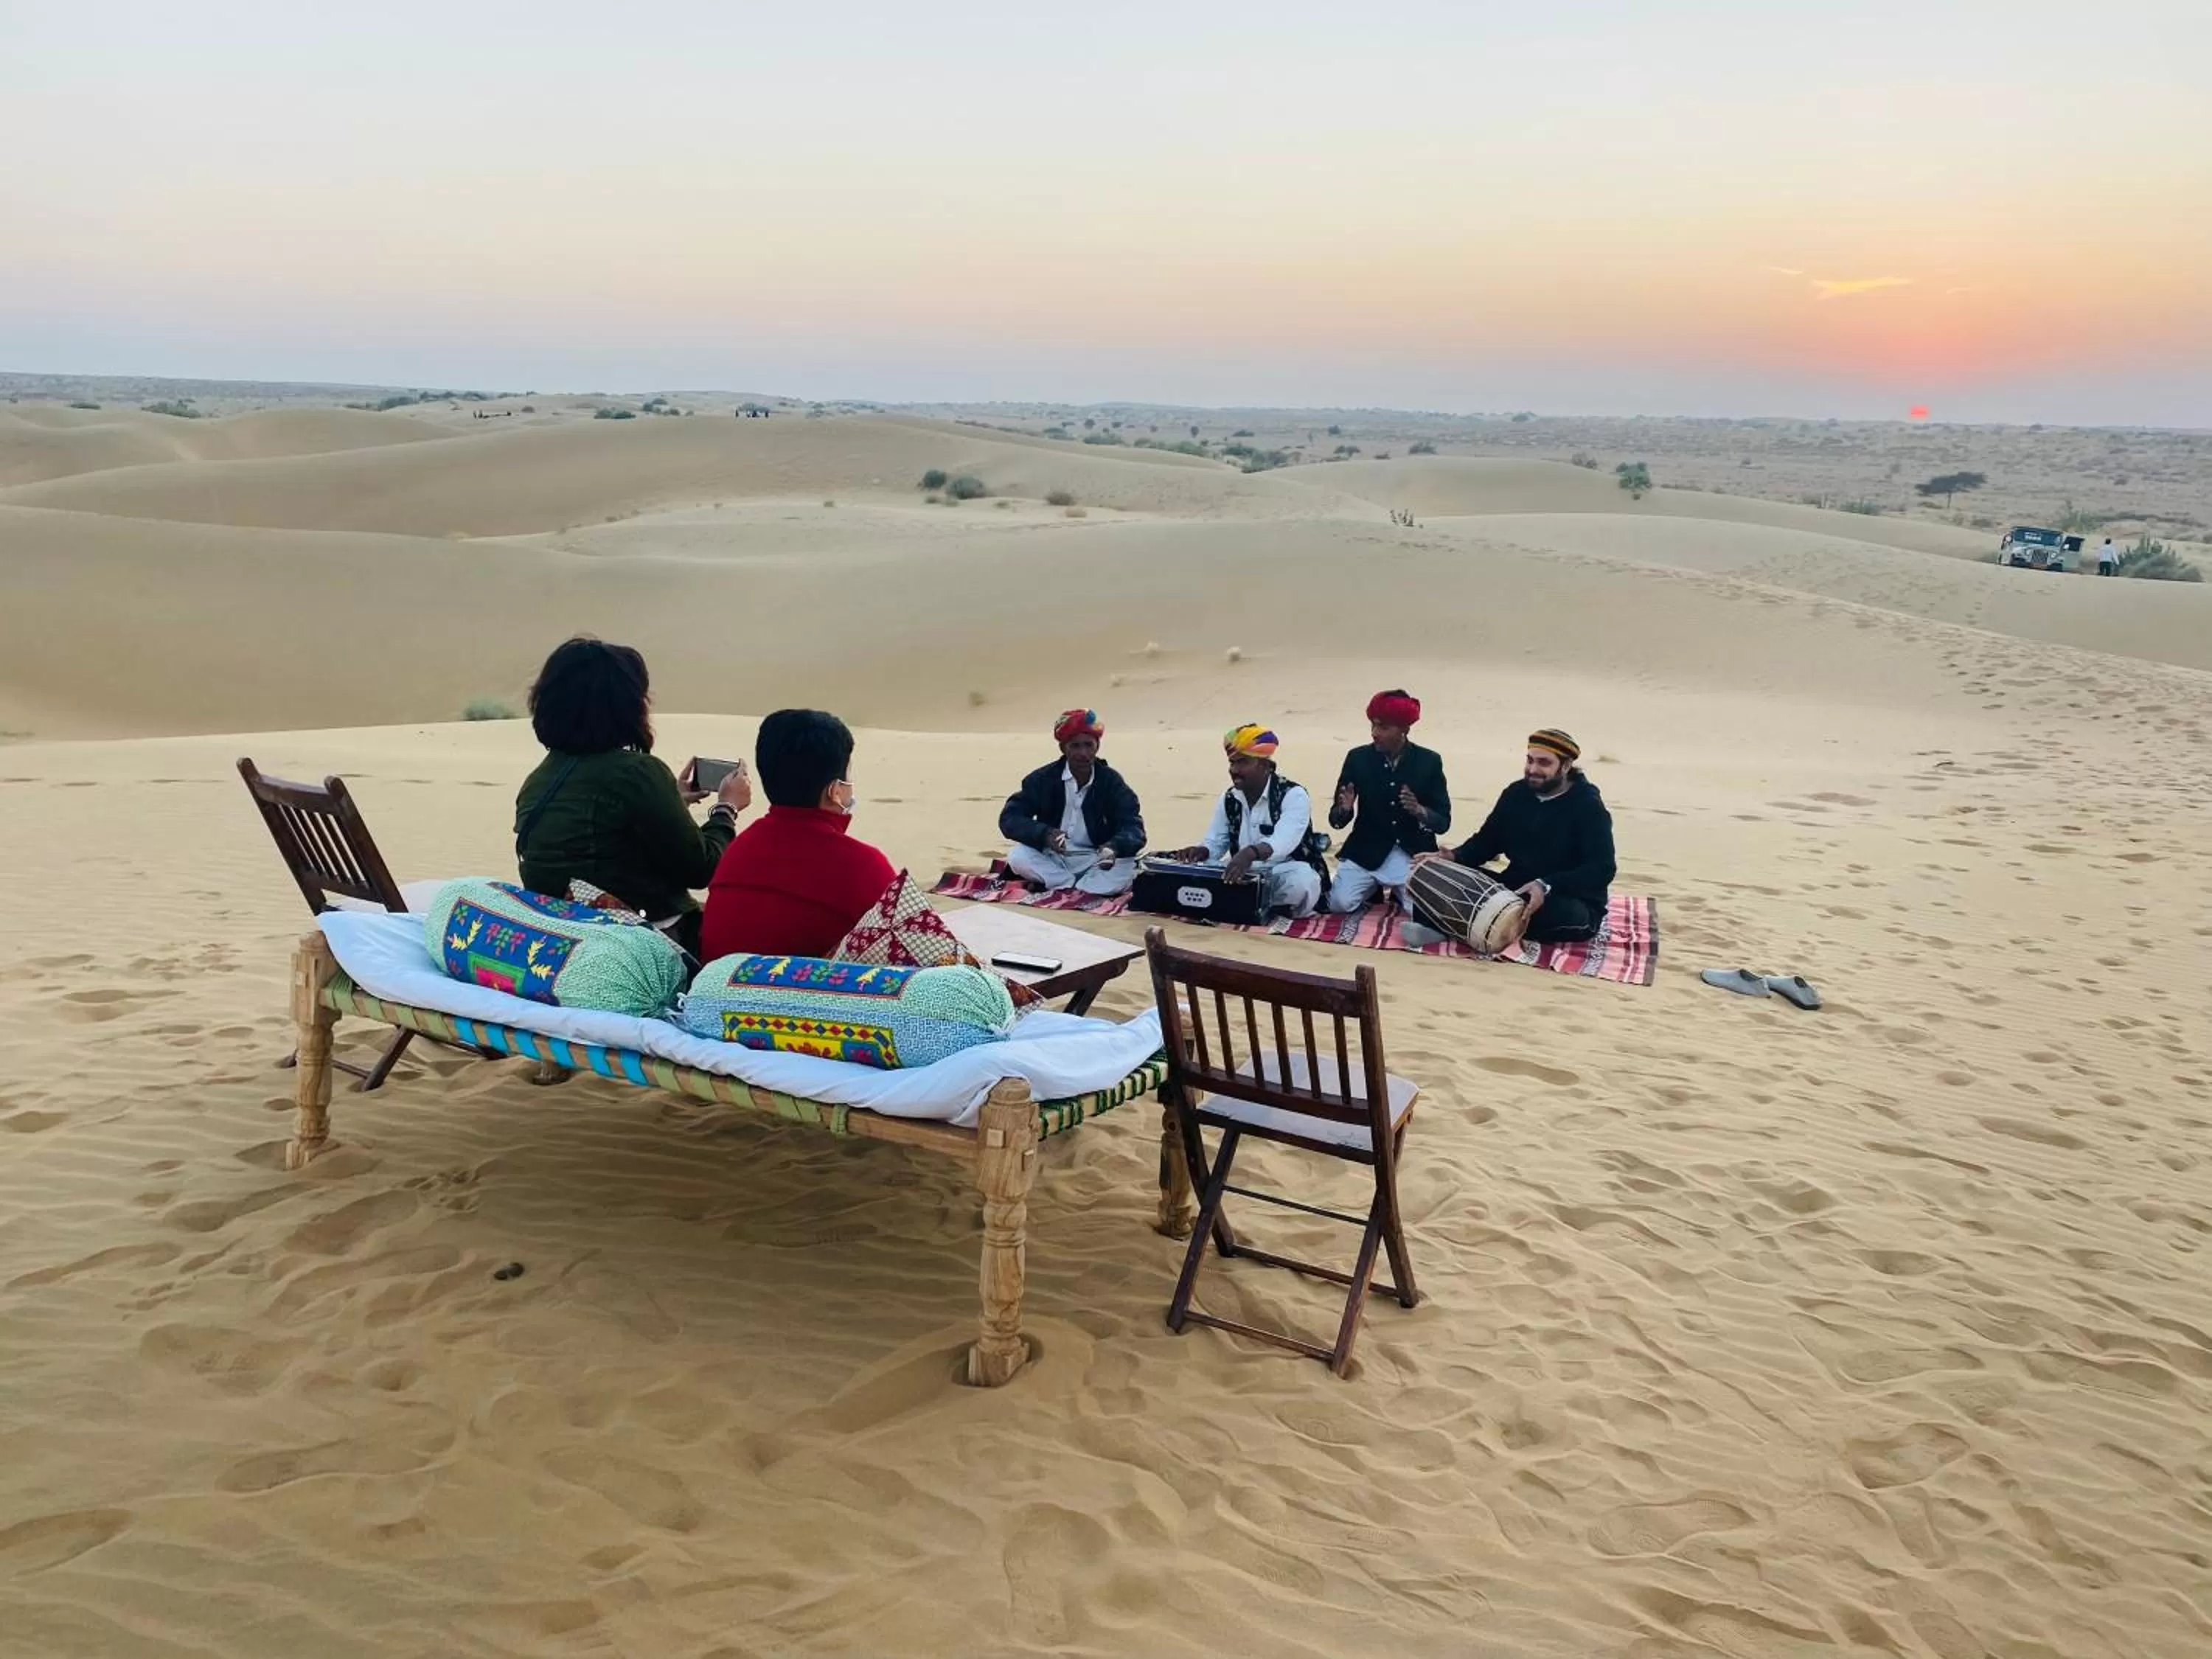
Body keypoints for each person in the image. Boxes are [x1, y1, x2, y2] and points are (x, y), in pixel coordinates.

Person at [515, 636, 749, 954]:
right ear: (626, 706)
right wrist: (726, 808)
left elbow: (599, 834)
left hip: (570, 941)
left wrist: (672, 800)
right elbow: (701, 868)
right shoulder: (637, 773)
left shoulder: (540, 780)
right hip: (645, 947)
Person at [699, 709, 895, 961]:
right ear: (835, 790)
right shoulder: (863, 866)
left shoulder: (738, 850)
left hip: (712, 995)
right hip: (800, 998)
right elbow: (909, 942)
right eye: (847, 775)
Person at [1419, 728, 1615, 949]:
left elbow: (1602, 868)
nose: (1533, 769)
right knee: (1433, 875)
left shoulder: (1588, 806)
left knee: (1549, 915)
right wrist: (1454, 856)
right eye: (1530, 760)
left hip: (1568, 898)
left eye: (1544, 763)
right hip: (1514, 888)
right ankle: (1475, 927)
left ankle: (1457, 929)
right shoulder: (1516, 794)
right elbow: (1487, 842)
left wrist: (1546, 885)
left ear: (1566, 766)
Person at [1167, 724, 1324, 919]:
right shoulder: (1230, 797)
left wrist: (1250, 853)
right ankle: (1245, 904)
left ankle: (1271, 909)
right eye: (1232, 763)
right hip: (1240, 872)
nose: (1234, 770)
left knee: (1303, 880)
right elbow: (1216, 841)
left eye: (1242, 763)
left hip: (1281, 871)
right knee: (1190, 870)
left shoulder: (1293, 795)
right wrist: (1202, 851)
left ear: (1264, 765)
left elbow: (1284, 843)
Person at [1326, 689, 1451, 913]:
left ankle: (1397, 890)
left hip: (1411, 854)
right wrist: (1343, 810)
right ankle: (1374, 888)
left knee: (1421, 913)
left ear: (1404, 730)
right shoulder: (1357, 758)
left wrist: (1419, 810)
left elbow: (1443, 822)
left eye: (1383, 728)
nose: (1375, 733)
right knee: (1339, 905)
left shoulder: (1429, 761)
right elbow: (1336, 820)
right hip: (1366, 851)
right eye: (1373, 726)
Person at [999, 708, 1146, 895]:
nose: (1083, 753)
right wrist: (1045, 834)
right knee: (1018, 857)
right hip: (1054, 857)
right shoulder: (1042, 779)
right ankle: (1075, 886)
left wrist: (1114, 846)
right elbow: (1010, 818)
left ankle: (1063, 886)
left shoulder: (1112, 782)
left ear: (1097, 746)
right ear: (1063, 748)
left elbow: (1134, 827)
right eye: (1075, 746)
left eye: (1088, 745)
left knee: (1130, 870)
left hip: (1096, 859)